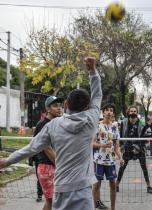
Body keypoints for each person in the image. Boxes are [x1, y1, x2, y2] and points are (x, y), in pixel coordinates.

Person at [0, 57, 102, 210]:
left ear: (66, 104)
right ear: (87, 107)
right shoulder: (91, 120)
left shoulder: (53, 125)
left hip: (60, 188)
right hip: (83, 190)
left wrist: (7, 161)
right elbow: (97, 95)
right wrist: (93, 71)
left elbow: (31, 148)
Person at [116, 106, 152, 194]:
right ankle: (116, 185)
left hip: (139, 147)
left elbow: (145, 138)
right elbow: (120, 136)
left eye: (135, 111)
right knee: (122, 167)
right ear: (128, 112)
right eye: (131, 111)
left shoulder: (142, 124)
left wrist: (139, 147)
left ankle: (149, 186)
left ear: (137, 113)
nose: (133, 112)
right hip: (127, 148)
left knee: (144, 167)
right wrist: (122, 148)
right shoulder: (123, 123)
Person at [34, 96, 63, 210]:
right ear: (48, 109)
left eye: (60, 105)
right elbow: (47, 148)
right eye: (55, 106)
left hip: (55, 165)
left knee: (53, 201)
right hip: (47, 166)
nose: (59, 108)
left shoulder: (57, 123)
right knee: (52, 201)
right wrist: (61, 164)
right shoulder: (43, 124)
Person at [92, 103, 123, 210]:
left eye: (111, 110)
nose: (109, 112)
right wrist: (102, 145)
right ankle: (96, 206)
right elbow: (91, 144)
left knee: (113, 185)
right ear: (103, 112)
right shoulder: (97, 125)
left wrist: (121, 157)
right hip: (99, 160)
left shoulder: (115, 126)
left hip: (111, 161)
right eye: (107, 110)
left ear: (113, 113)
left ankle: (113, 208)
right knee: (97, 184)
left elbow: (117, 146)